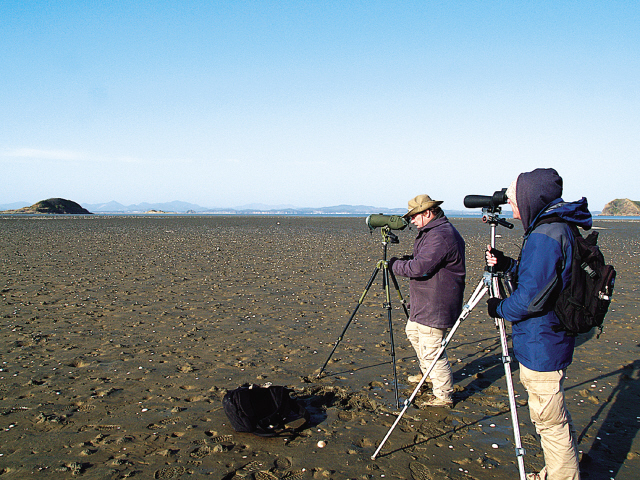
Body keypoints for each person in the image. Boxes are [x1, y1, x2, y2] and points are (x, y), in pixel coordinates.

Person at [486, 168, 591, 480]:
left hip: (543, 342)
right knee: (552, 415)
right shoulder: (555, 227)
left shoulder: (545, 235)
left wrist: (499, 307)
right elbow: (545, 277)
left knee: (549, 420)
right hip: (549, 338)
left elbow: (531, 298)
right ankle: (562, 464)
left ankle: (563, 474)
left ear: (532, 199)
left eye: (516, 202)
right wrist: (509, 265)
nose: (514, 210)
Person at [390, 194, 466, 407]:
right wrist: (406, 260)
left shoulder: (440, 235)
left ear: (427, 213)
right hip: (425, 302)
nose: (411, 221)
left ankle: (443, 395)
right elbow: (424, 261)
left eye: (414, 216)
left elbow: (420, 268)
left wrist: (394, 264)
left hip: (437, 303)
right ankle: (428, 376)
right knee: (412, 332)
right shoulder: (432, 232)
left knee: (432, 349)